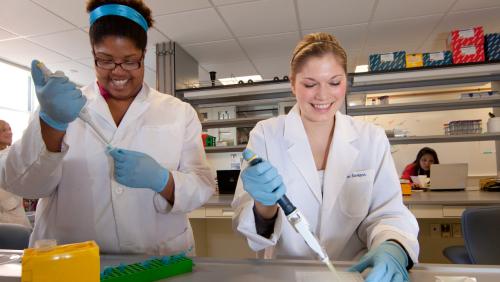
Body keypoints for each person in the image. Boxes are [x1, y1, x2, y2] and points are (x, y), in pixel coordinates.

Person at [1, 0, 214, 255]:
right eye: (105, 60)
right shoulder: (62, 107)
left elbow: (202, 186)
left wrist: (163, 180)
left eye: (130, 61)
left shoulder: (178, 112)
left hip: (157, 259)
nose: (118, 72)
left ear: (143, 55)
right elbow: (24, 185)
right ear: (93, 54)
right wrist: (51, 123)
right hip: (74, 262)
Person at [232, 32, 419, 282]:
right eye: (310, 84)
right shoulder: (266, 135)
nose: (323, 95)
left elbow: (388, 212)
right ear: (292, 84)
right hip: (287, 274)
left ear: (346, 81)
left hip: (356, 272)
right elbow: (250, 230)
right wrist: (263, 206)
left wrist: (393, 246)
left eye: (334, 82)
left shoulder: (370, 138)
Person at [0, 120, 31, 228]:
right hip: (8, 212)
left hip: (15, 210)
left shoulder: (10, 153)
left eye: (10, 129)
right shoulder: (8, 155)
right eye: (4, 130)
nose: (9, 132)